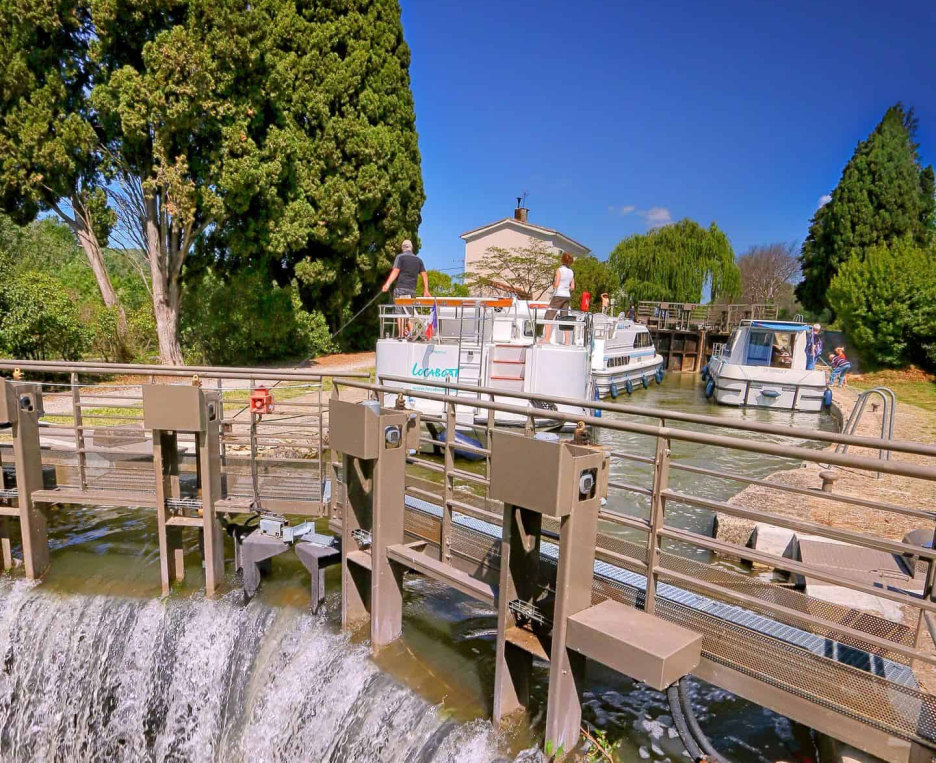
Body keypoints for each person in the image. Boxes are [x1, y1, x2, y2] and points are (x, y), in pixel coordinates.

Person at [382, 240, 430, 338]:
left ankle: (401, 335)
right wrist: (426, 290)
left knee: (399, 312)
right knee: (409, 313)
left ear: (403, 248)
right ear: (411, 248)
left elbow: (395, 271)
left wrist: (387, 284)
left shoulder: (400, 257)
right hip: (412, 290)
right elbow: (424, 275)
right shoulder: (418, 260)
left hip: (401, 288)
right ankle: (412, 335)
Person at [542, 252, 575, 345]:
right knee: (565, 317)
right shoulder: (571, 272)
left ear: (562, 260)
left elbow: (556, 284)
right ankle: (567, 341)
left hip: (558, 295)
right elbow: (573, 287)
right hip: (567, 296)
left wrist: (554, 285)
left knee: (548, 315)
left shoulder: (559, 270)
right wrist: (566, 287)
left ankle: (547, 339)